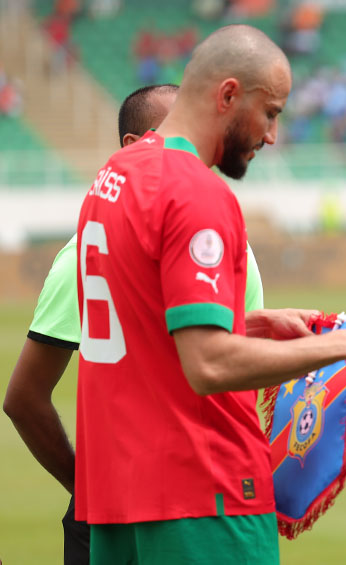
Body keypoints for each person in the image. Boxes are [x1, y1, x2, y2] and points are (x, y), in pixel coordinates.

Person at [73, 25, 346, 564]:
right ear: (229, 95)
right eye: (272, 112)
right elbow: (208, 365)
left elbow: (145, 320)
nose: (273, 135)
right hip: (202, 493)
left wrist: (252, 322)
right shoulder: (196, 192)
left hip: (121, 497)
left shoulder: (116, 173)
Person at [4, 83, 207, 565]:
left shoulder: (222, 236)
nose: (191, 149)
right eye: (174, 134)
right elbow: (24, 398)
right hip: (118, 509)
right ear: (133, 146)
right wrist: (88, 489)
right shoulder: (85, 252)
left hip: (210, 499)